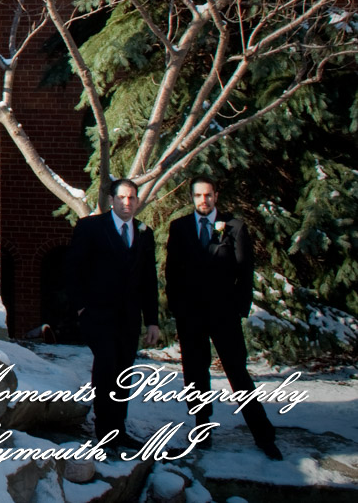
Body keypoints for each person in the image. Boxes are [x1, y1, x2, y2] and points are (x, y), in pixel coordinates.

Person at [166, 178, 282, 459]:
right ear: (192, 198)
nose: (203, 200)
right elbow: (172, 272)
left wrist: (239, 309)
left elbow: (245, 271)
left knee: (237, 371)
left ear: (216, 195)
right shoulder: (179, 227)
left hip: (224, 314)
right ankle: (202, 430)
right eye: (198, 195)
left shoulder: (235, 227)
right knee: (194, 372)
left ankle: (263, 433)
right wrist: (178, 308)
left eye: (208, 195)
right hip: (191, 315)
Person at [70, 178, 162, 449]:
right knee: (106, 367)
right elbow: (73, 268)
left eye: (131, 197)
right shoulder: (91, 227)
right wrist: (81, 306)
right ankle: (104, 430)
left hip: (129, 316)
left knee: (123, 372)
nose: (127, 202)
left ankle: (119, 428)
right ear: (111, 200)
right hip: (98, 313)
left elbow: (148, 279)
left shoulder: (144, 233)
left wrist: (152, 321)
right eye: (121, 197)